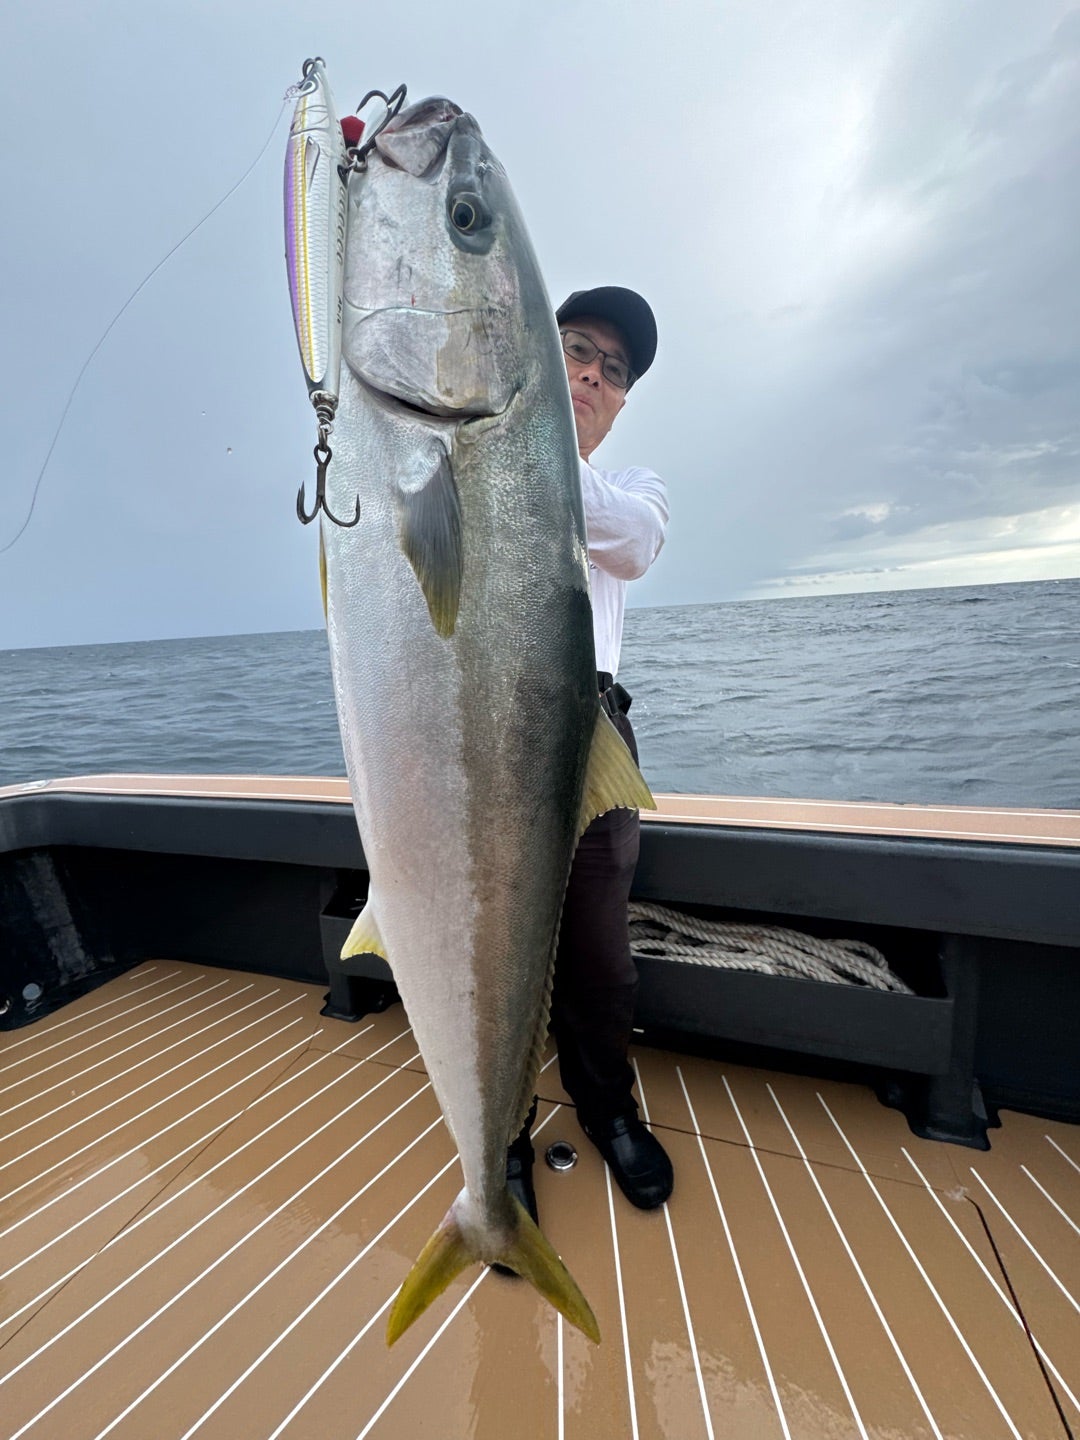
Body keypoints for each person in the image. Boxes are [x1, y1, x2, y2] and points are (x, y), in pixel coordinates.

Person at [506, 286, 673, 1232]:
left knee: (601, 962)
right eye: (574, 350)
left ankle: (609, 1110)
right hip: (495, 725)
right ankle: (500, 1139)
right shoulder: (475, 458)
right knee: (502, 951)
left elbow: (636, 544)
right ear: (536, 355)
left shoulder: (635, 489)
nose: (591, 375)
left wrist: (527, 447)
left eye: (613, 371)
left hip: (595, 730)